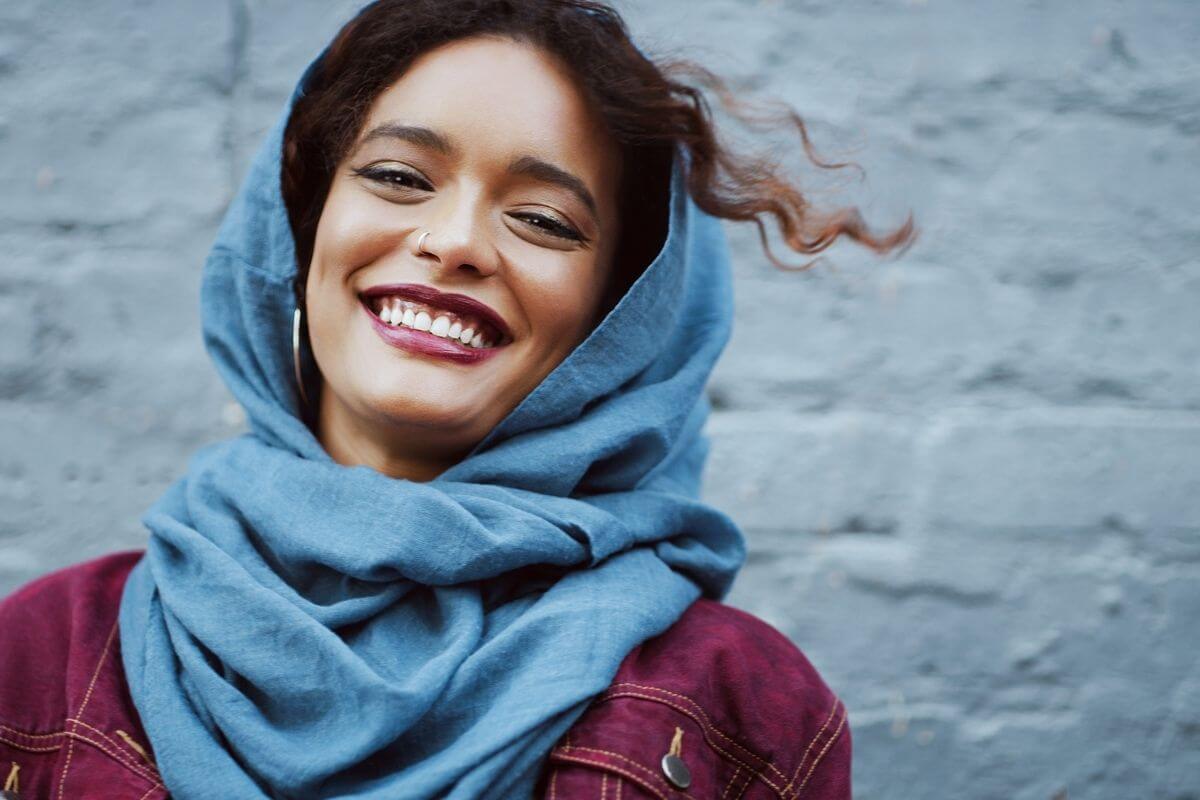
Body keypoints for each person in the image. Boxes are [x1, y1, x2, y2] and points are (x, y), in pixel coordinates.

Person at [0, 1, 914, 797]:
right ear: (302, 220)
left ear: (617, 316)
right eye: (398, 177)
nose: (454, 241)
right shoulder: (41, 654)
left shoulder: (740, 705)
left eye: (544, 220)